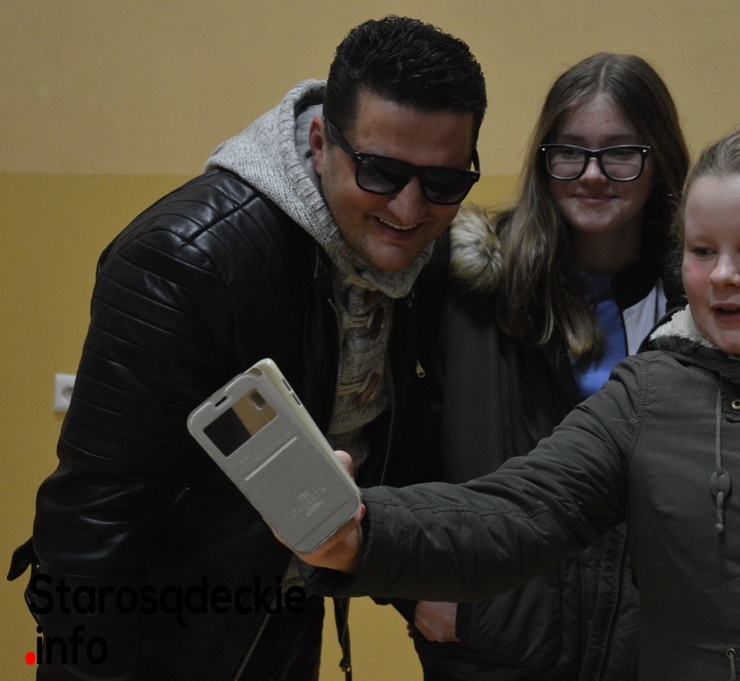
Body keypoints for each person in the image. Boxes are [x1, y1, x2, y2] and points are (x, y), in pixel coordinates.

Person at [297, 119, 740, 680]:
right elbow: (514, 514)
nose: (723, 276)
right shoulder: (650, 395)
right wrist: (366, 530)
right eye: (702, 251)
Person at [9, 15, 486, 681]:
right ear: (319, 142)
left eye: (442, 183)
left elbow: (392, 442)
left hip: (280, 623)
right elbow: (90, 525)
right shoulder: (186, 261)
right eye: (380, 172)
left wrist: (421, 579)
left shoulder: (417, 258)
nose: (408, 211)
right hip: (151, 647)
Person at [408, 53, 688, 680]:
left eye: (620, 153)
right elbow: (402, 437)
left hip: (649, 651)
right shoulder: (467, 284)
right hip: (495, 647)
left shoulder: (701, 304)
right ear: (543, 160)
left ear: (660, 160)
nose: (592, 175)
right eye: (569, 152)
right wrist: (419, 583)